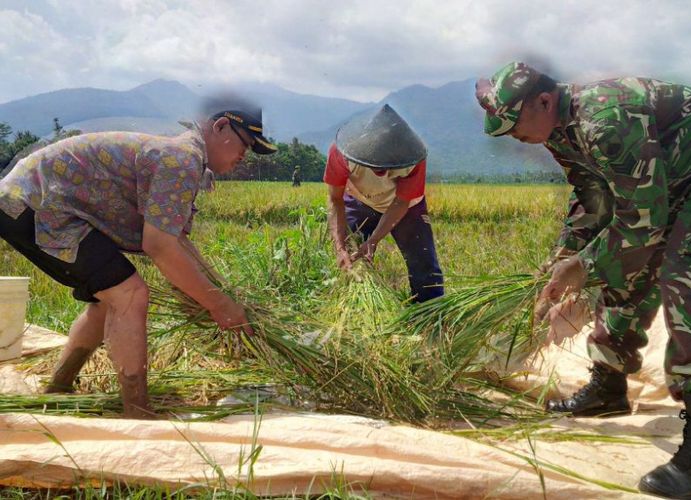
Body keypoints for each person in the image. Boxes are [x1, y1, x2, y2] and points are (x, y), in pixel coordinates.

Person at [476, 61, 691, 498]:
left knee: (688, 276)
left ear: (544, 100)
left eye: (514, 125)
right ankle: (608, 386)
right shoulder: (559, 131)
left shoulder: (605, 117)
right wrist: (563, 261)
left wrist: (582, 268)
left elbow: (642, 221)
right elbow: (592, 199)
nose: (513, 137)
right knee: (621, 267)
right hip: (669, 184)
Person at [0, 101, 277, 419]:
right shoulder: (182, 158)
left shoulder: (187, 160)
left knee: (108, 300)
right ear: (221, 127)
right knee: (130, 295)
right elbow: (160, 247)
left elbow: (178, 243)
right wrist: (219, 305)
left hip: (41, 205)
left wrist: (220, 292)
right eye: (245, 144)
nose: (245, 156)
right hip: (34, 204)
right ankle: (137, 412)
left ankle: (59, 387)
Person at [324, 104, 444, 303]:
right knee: (351, 258)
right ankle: (355, 307)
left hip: (407, 208)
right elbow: (335, 199)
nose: (385, 174)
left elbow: (402, 201)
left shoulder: (415, 159)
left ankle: (429, 314)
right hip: (359, 200)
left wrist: (373, 241)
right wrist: (339, 248)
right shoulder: (341, 153)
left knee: (424, 266)